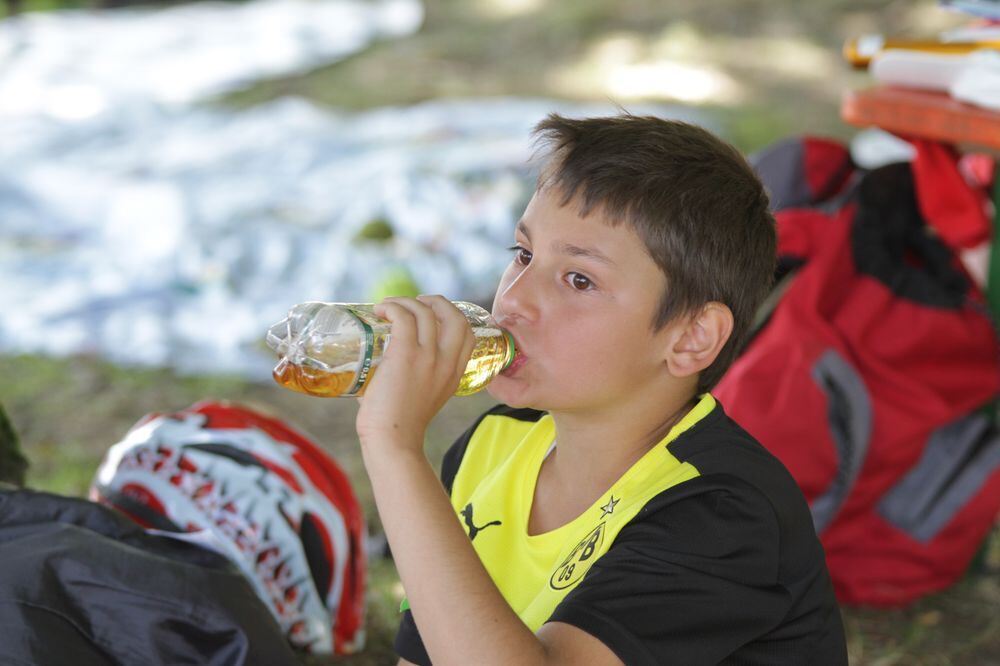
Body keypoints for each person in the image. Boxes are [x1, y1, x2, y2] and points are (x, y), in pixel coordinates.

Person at [353, 113, 848, 665]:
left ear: (691, 338)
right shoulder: (493, 445)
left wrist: (393, 448)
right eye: (523, 254)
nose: (513, 300)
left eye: (579, 280)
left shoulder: (721, 512)